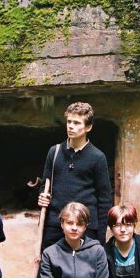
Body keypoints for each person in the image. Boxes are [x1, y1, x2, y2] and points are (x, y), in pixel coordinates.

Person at [38, 102, 112, 249]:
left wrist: (100, 238)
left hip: (85, 227)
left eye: (77, 123)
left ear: (88, 127)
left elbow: (104, 200)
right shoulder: (54, 152)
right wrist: (42, 196)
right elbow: (44, 186)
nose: (71, 126)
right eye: (69, 122)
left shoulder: (98, 157)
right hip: (55, 226)